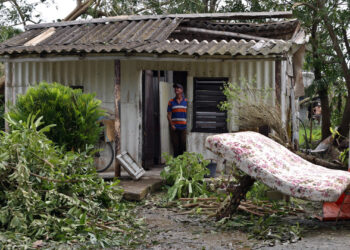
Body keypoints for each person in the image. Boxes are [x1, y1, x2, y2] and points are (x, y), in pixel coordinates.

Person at [167, 83, 187, 157]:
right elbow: (169, 115)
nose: (176, 89)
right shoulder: (171, 101)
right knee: (175, 146)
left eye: (178, 88)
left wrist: (187, 124)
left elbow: (189, 114)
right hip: (174, 128)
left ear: (182, 90)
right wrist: (171, 125)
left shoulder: (186, 101)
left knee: (183, 145)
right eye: (175, 88)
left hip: (184, 127)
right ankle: (176, 164)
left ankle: (183, 163)